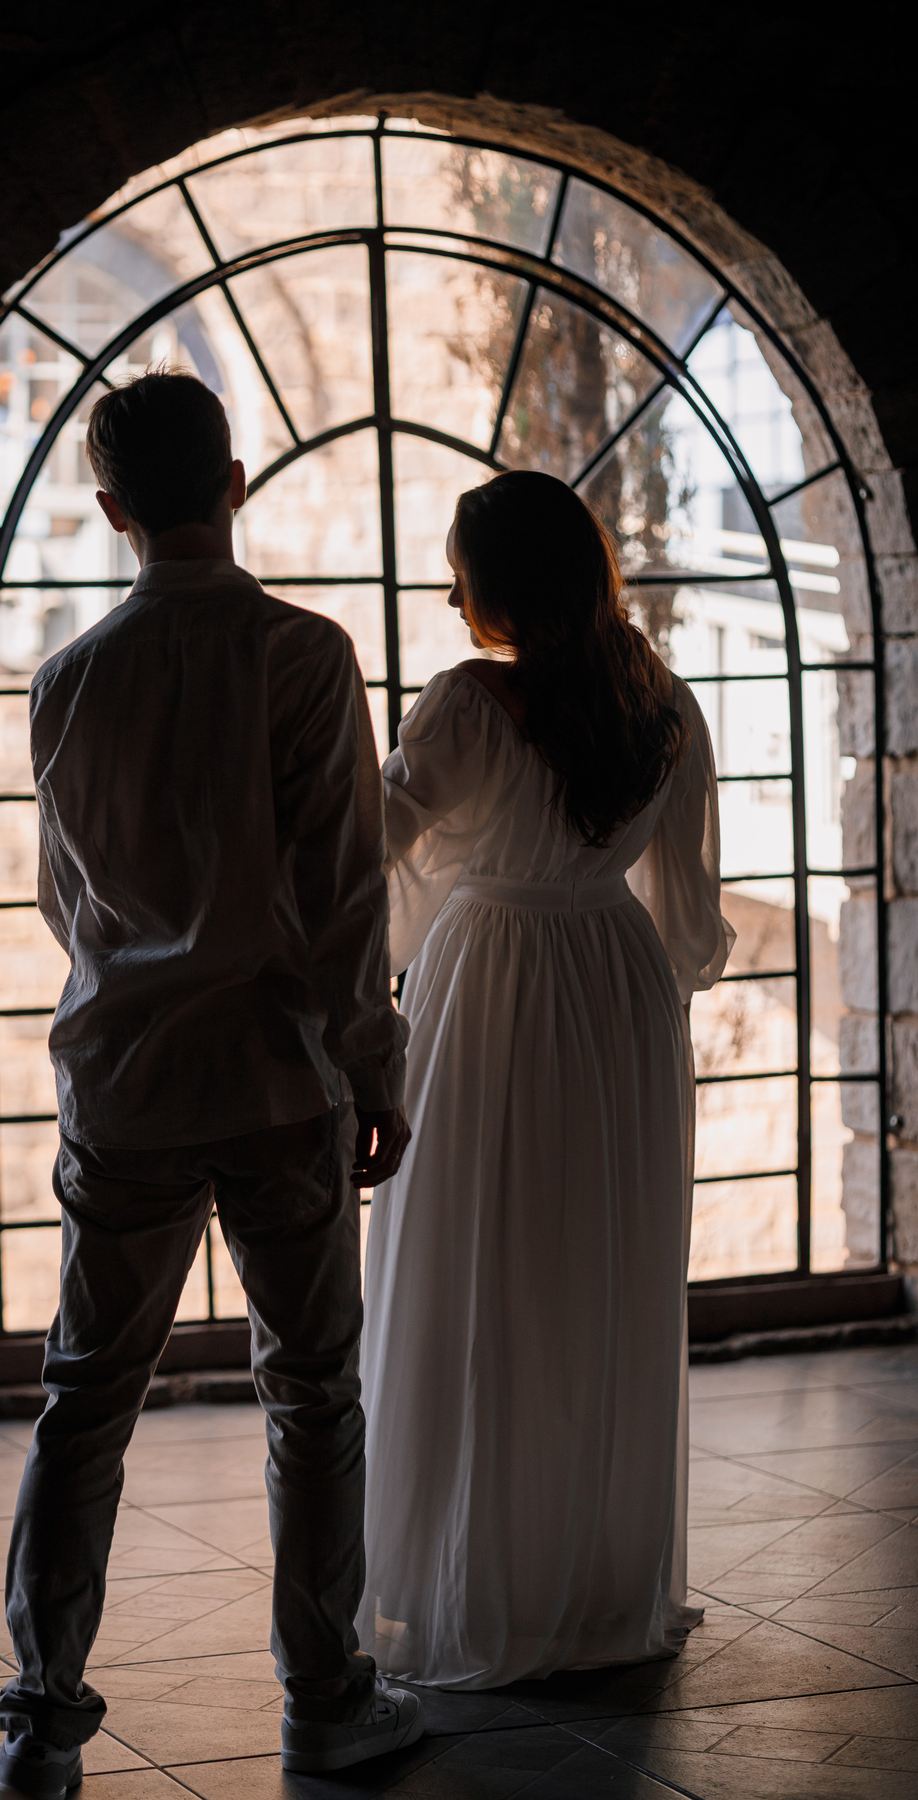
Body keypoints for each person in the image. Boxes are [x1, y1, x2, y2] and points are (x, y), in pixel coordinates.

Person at [0, 370, 423, 1795]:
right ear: (234, 482)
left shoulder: (66, 676)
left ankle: (42, 1722)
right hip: (275, 1075)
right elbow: (345, 897)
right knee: (310, 1395)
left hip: (121, 1082)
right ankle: (326, 1694)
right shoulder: (303, 655)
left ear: (110, 508)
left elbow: (70, 907)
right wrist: (374, 1061)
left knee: (85, 1397)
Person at [356, 470, 732, 1689]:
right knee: (593, 1274)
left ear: (502, 582)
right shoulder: (663, 704)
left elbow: (381, 849)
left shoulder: (469, 704)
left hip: (493, 986)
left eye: (459, 566)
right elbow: (686, 921)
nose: (450, 588)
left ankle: (480, 1576)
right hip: (616, 995)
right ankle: (596, 1577)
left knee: (480, 1269)